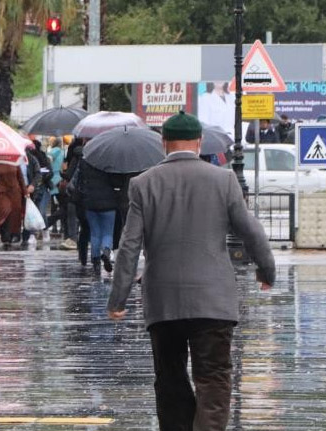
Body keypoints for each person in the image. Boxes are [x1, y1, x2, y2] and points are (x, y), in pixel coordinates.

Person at [108, 111, 275, 431]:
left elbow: (129, 246)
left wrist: (118, 299)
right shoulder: (224, 180)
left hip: (163, 301)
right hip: (214, 301)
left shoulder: (143, 184)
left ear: (163, 143)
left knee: (170, 379)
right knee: (213, 377)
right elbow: (251, 231)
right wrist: (266, 271)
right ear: (199, 142)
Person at [73, 159, 116, 275]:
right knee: (107, 232)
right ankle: (106, 251)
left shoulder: (84, 162)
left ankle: (96, 261)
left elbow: (79, 181)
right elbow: (117, 181)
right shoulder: (110, 162)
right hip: (109, 202)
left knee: (95, 233)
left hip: (90, 202)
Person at [0, 164, 27, 245]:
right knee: (4, 211)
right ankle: (5, 234)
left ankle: (14, 234)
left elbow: (20, 178)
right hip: (2, 192)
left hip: (15, 192)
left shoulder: (15, 163)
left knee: (14, 214)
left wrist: (25, 192)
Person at [21, 148, 42, 246]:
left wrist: (32, 185)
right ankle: (15, 234)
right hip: (16, 188)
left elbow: (38, 174)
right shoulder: (14, 158)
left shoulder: (31, 158)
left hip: (28, 188)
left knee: (27, 213)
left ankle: (26, 235)